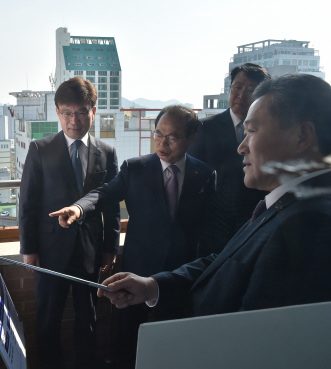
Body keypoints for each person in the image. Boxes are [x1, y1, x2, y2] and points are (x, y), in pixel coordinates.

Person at [99, 74, 331, 324]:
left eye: (252, 130)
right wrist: (152, 286)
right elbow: (226, 263)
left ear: (303, 136)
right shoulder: (283, 207)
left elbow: (260, 338)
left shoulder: (311, 224)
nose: (241, 147)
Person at [50, 105, 216, 368]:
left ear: (192, 138)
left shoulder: (205, 175)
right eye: (158, 134)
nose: (162, 143)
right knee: (127, 340)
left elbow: (208, 227)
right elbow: (103, 194)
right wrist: (78, 208)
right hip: (138, 269)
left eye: (172, 137)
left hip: (179, 274)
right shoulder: (135, 168)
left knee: (174, 342)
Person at [19, 77, 120, 369]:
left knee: (87, 319)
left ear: (93, 111)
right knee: (48, 319)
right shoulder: (40, 148)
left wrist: (110, 248)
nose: (73, 120)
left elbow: (111, 206)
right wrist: (29, 249)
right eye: (66, 112)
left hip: (90, 250)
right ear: (57, 113)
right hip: (49, 251)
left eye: (80, 112)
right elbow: (27, 203)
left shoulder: (107, 152)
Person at [188, 63, 271, 256]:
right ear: (230, 88)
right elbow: (193, 177)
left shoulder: (269, 131)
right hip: (214, 223)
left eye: (251, 90)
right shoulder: (204, 128)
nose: (242, 95)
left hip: (256, 219)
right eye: (237, 87)